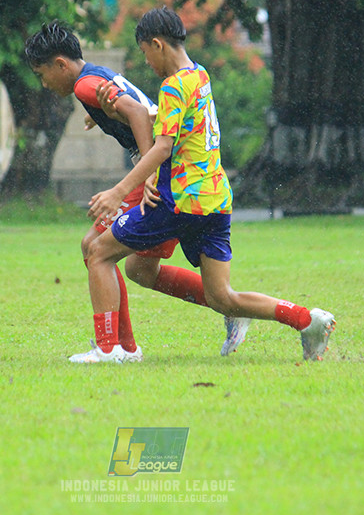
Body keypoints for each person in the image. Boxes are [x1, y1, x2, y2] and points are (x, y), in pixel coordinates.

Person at [82, 7, 335, 363]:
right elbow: (175, 123)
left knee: (97, 251)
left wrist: (118, 192)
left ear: (157, 45)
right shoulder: (199, 76)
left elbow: (163, 147)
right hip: (215, 200)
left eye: (145, 52)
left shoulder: (171, 86)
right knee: (222, 298)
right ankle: (308, 320)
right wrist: (113, 114)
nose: (147, 62)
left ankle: (108, 349)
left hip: (179, 201)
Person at [23, 22, 250, 363]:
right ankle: (128, 344)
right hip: (173, 173)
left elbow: (137, 111)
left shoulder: (85, 86)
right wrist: (103, 116)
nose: (44, 84)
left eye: (42, 74)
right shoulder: (94, 75)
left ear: (61, 64)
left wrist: (149, 168)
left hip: (164, 174)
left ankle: (114, 347)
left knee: (95, 248)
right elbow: (136, 104)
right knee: (137, 269)